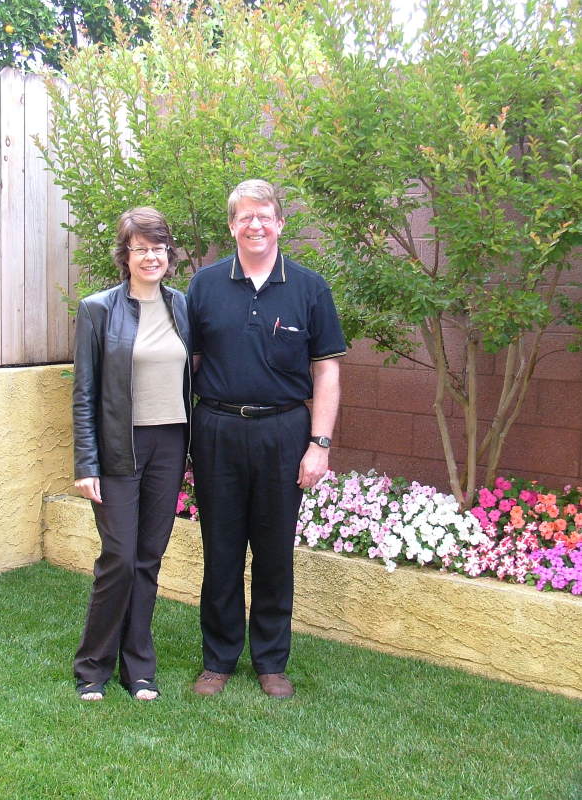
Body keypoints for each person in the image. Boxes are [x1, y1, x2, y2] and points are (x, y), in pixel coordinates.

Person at [188, 179, 345, 698]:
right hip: (217, 430)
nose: (255, 225)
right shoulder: (205, 286)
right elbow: (187, 363)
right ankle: (219, 658)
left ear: (280, 223)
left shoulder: (309, 287)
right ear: (231, 225)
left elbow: (325, 371)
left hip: (283, 431)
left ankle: (272, 661)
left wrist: (318, 443)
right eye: (244, 217)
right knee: (222, 549)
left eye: (265, 215)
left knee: (275, 552)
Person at [72, 207, 192, 701]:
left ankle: (138, 667)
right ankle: (92, 666)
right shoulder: (98, 308)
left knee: (148, 558)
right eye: (141, 248)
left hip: (171, 443)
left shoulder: (183, 306)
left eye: (159, 247)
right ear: (125, 256)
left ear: (169, 254)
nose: (151, 256)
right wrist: (86, 463)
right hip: (120, 445)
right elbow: (84, 392)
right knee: (119, 557)